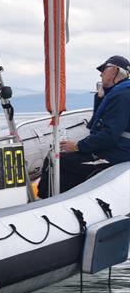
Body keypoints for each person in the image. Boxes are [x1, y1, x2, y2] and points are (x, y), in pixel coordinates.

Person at [38, 55, 130, 197]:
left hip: (116, 154)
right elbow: (96, 124)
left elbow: (109, 135)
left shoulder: (122, 96)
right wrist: (100, 98)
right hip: (114, 149)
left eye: (103, 70)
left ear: (114, 71)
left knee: (57, 160)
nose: (101, 74)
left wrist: (78, 146)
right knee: (64, 158)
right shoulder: (120, 93)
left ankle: (45, 202)